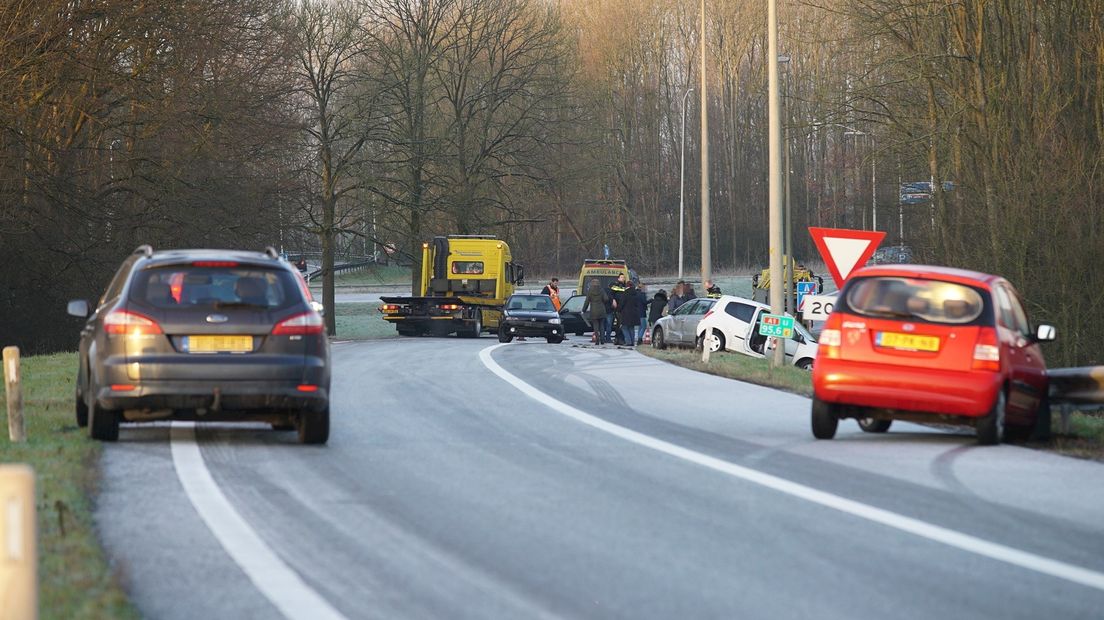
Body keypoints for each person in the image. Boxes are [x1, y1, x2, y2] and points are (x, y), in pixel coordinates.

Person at [580, 279, 609, 344]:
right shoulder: (601, 290)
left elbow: (586, 302)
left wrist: (583, 310)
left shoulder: (590, 291)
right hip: (602, 310)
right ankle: (602, 340)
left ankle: (597, 340)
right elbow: (606, 299)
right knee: (602, 326)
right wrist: (602, 302)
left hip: (594, 310)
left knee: (596, 326)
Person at [618, 281, 642, 346]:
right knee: (631, 328)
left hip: (626, 313)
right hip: (634, 313)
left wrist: (618, 310)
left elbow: (621, 304)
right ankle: (632, 342)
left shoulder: (625, 294)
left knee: (624, 327)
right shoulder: (636, 293)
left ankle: (628, 341)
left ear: (627, 286)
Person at [607, 273, 628, 344]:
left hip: (624, 308)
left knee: (621, 324)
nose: (623, 279)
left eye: (624, 277)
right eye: (621, 277)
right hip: (617, 308)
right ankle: (618, 338)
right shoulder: (615, 286)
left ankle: (620, 338)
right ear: (618, 278)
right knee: (619, 324)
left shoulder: (626, 286)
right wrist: (613, 300)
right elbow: (610, 294)